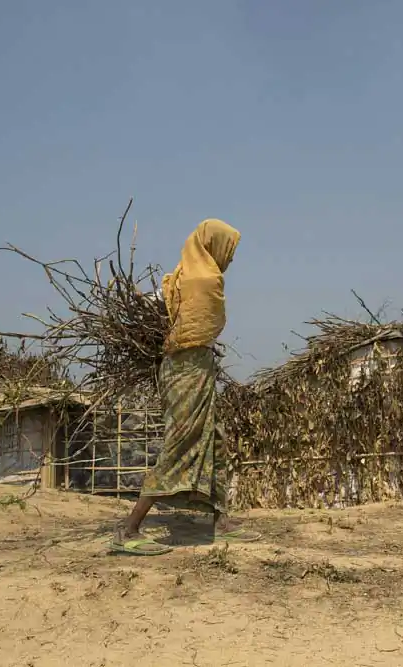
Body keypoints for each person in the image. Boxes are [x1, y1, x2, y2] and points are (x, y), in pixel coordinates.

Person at [109, 218, 262, 556]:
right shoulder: (205, 280)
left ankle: (220, 520)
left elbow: (159, 310)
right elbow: (203, 326)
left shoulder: (176, 278)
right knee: (179, 443)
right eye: (229, 250)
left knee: (215, 440)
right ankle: (128, 528)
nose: (231, 259)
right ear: (214, 246)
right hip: (187, 369)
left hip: (189, 366)